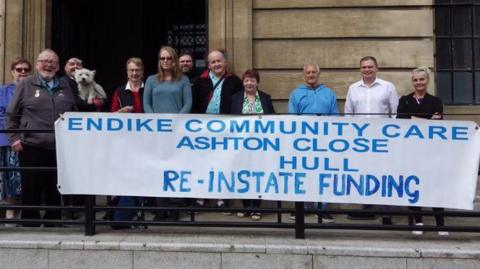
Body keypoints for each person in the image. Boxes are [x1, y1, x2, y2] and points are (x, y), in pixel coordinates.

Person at [6, 49, 77, 226]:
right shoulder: (26, 84)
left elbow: (74, 111)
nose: (48, 65)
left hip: (60, 145)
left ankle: (53, 220)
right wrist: (14, 138)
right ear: (37, 64)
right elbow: (11, 113)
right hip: (31, 143)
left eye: (53, 62)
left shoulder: (64, 85)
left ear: (58, 66)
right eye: (44, 61)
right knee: (31, 185)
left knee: (55, 184)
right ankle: (30, 221)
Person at [344, 56, 399, 224]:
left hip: (382, 139)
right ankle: (367, 208)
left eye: (370, 67)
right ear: (360, 69)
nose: (367, 70)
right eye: (364, 67)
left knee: (384, 174)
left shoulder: (388, 87)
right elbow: (348, 115)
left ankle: (386, 212)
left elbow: (395, 114)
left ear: (377, 68)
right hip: (360, 140)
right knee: (364, 173)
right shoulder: (353, 88)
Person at [397, 67, 447, 236]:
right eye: (415, 80)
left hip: (431, 150)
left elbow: (438, 122)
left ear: (427, 81)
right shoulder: (404, 100)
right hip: (411, 150)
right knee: (413, 185)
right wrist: (426, 119)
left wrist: (414, 118)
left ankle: (440, 224)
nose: (418, 83)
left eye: (422, 79)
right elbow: (401, 121)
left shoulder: (436, 101)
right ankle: (418, 221)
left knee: (434, 185)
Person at [144, 46, 192, 220]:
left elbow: (187, 103)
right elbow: (146, 104)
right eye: (162, 58)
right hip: (157, 132)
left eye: (169, 58)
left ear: (174, 60)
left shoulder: (183, 80)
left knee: (175, 169)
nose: (165, 61)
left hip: (177, 132)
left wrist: (176, 122)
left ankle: (174, 209)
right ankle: (160, 209)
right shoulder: (151, 80)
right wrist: (156, 122)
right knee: (159, 169)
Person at [191, 49, 242, 211]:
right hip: (203, 129)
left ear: (225, 62)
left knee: (222, 163)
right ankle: (202, 195)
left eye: (219, 61)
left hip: (226, 129)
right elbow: (193, 104)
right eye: (213, 62)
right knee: (203, 163)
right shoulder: (199, 81)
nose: (217, 64)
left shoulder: (234, 81)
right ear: (209, 65)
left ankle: (221, 197)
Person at [287, 63, 338, 223]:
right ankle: (301, 206)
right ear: (304, 75)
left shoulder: (329, 93)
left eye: (314, 72)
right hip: (303, 141)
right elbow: (291, 118)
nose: (311, 75)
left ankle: (321, 208)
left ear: (318, 74)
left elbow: (335, 117)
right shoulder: (296, 94)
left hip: (323, 141)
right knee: (302, 172)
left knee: (323, 172)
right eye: (308, 72)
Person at [230, 69, 275, 221]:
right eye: (246, 80)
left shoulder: (265, 98)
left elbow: (273, 119)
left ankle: (256, 207)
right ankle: (246, 207)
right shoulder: (235, 98)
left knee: (257, 175)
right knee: (242, 174)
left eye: (252, 80)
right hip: (241, 145)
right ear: (243, 82)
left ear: (257, 82)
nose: (249, 83)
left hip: (260, 145)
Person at [0, 58, 32, 226]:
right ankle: (10, 213)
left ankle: (22, 212)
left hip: (30, 140)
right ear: (12, 71)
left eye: (26, 69)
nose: (22, 72)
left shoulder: (34, 91)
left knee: (22, 178)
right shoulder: (3, 91)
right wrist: (12, 136)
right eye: (18, 69)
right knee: (9, 177)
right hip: (7, 140)